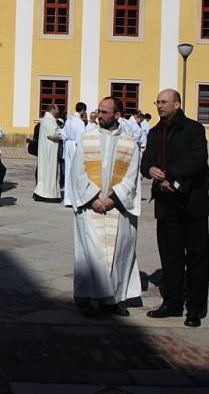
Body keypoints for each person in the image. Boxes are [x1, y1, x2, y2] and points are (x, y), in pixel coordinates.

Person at [141, 89, 209, 328]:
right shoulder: (154, 132)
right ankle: (172, 303)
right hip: (166, 203)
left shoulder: (193, 129)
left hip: (192, 203)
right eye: (157, 102)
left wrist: (173, 178)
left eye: (163, 102)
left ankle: (195, 308)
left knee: (196, 257)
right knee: (170, 256)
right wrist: (150, 170)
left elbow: (197, 161)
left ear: (177, 104)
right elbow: (146, 161)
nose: (159, 106)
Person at [69, 97, 142, 318]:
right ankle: (85, 297)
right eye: (98, 111)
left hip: (116, 207)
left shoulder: (129, 142)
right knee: (91, 255)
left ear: (118, 115)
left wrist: (112, 199)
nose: (99, 115)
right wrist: (93, 199)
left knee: (117, 252)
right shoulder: (87, 137)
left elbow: (132, 176)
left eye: (105, 112)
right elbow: (77, 172)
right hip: (90, 206)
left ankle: (111, 299)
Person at [59, 102, 87, 207]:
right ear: (83, 110)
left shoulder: (69, 120)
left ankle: (68, 199)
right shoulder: (79, 122)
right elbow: (81, 137)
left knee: (68, 171)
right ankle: (75, 198)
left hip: (68, 145)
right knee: (76, 171)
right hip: (75, 146)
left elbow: (63, 134)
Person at [34, 104, 61, 202]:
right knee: (49, 172)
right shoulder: (49, 120)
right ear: (52, 109)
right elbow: (53, 133)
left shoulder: (48, 120)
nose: (59, 111)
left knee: (46, 172)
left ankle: (43, 193)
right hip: (49, 151)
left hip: (49, 149)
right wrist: (63, 133)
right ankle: (48, 194)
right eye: (58, 109)